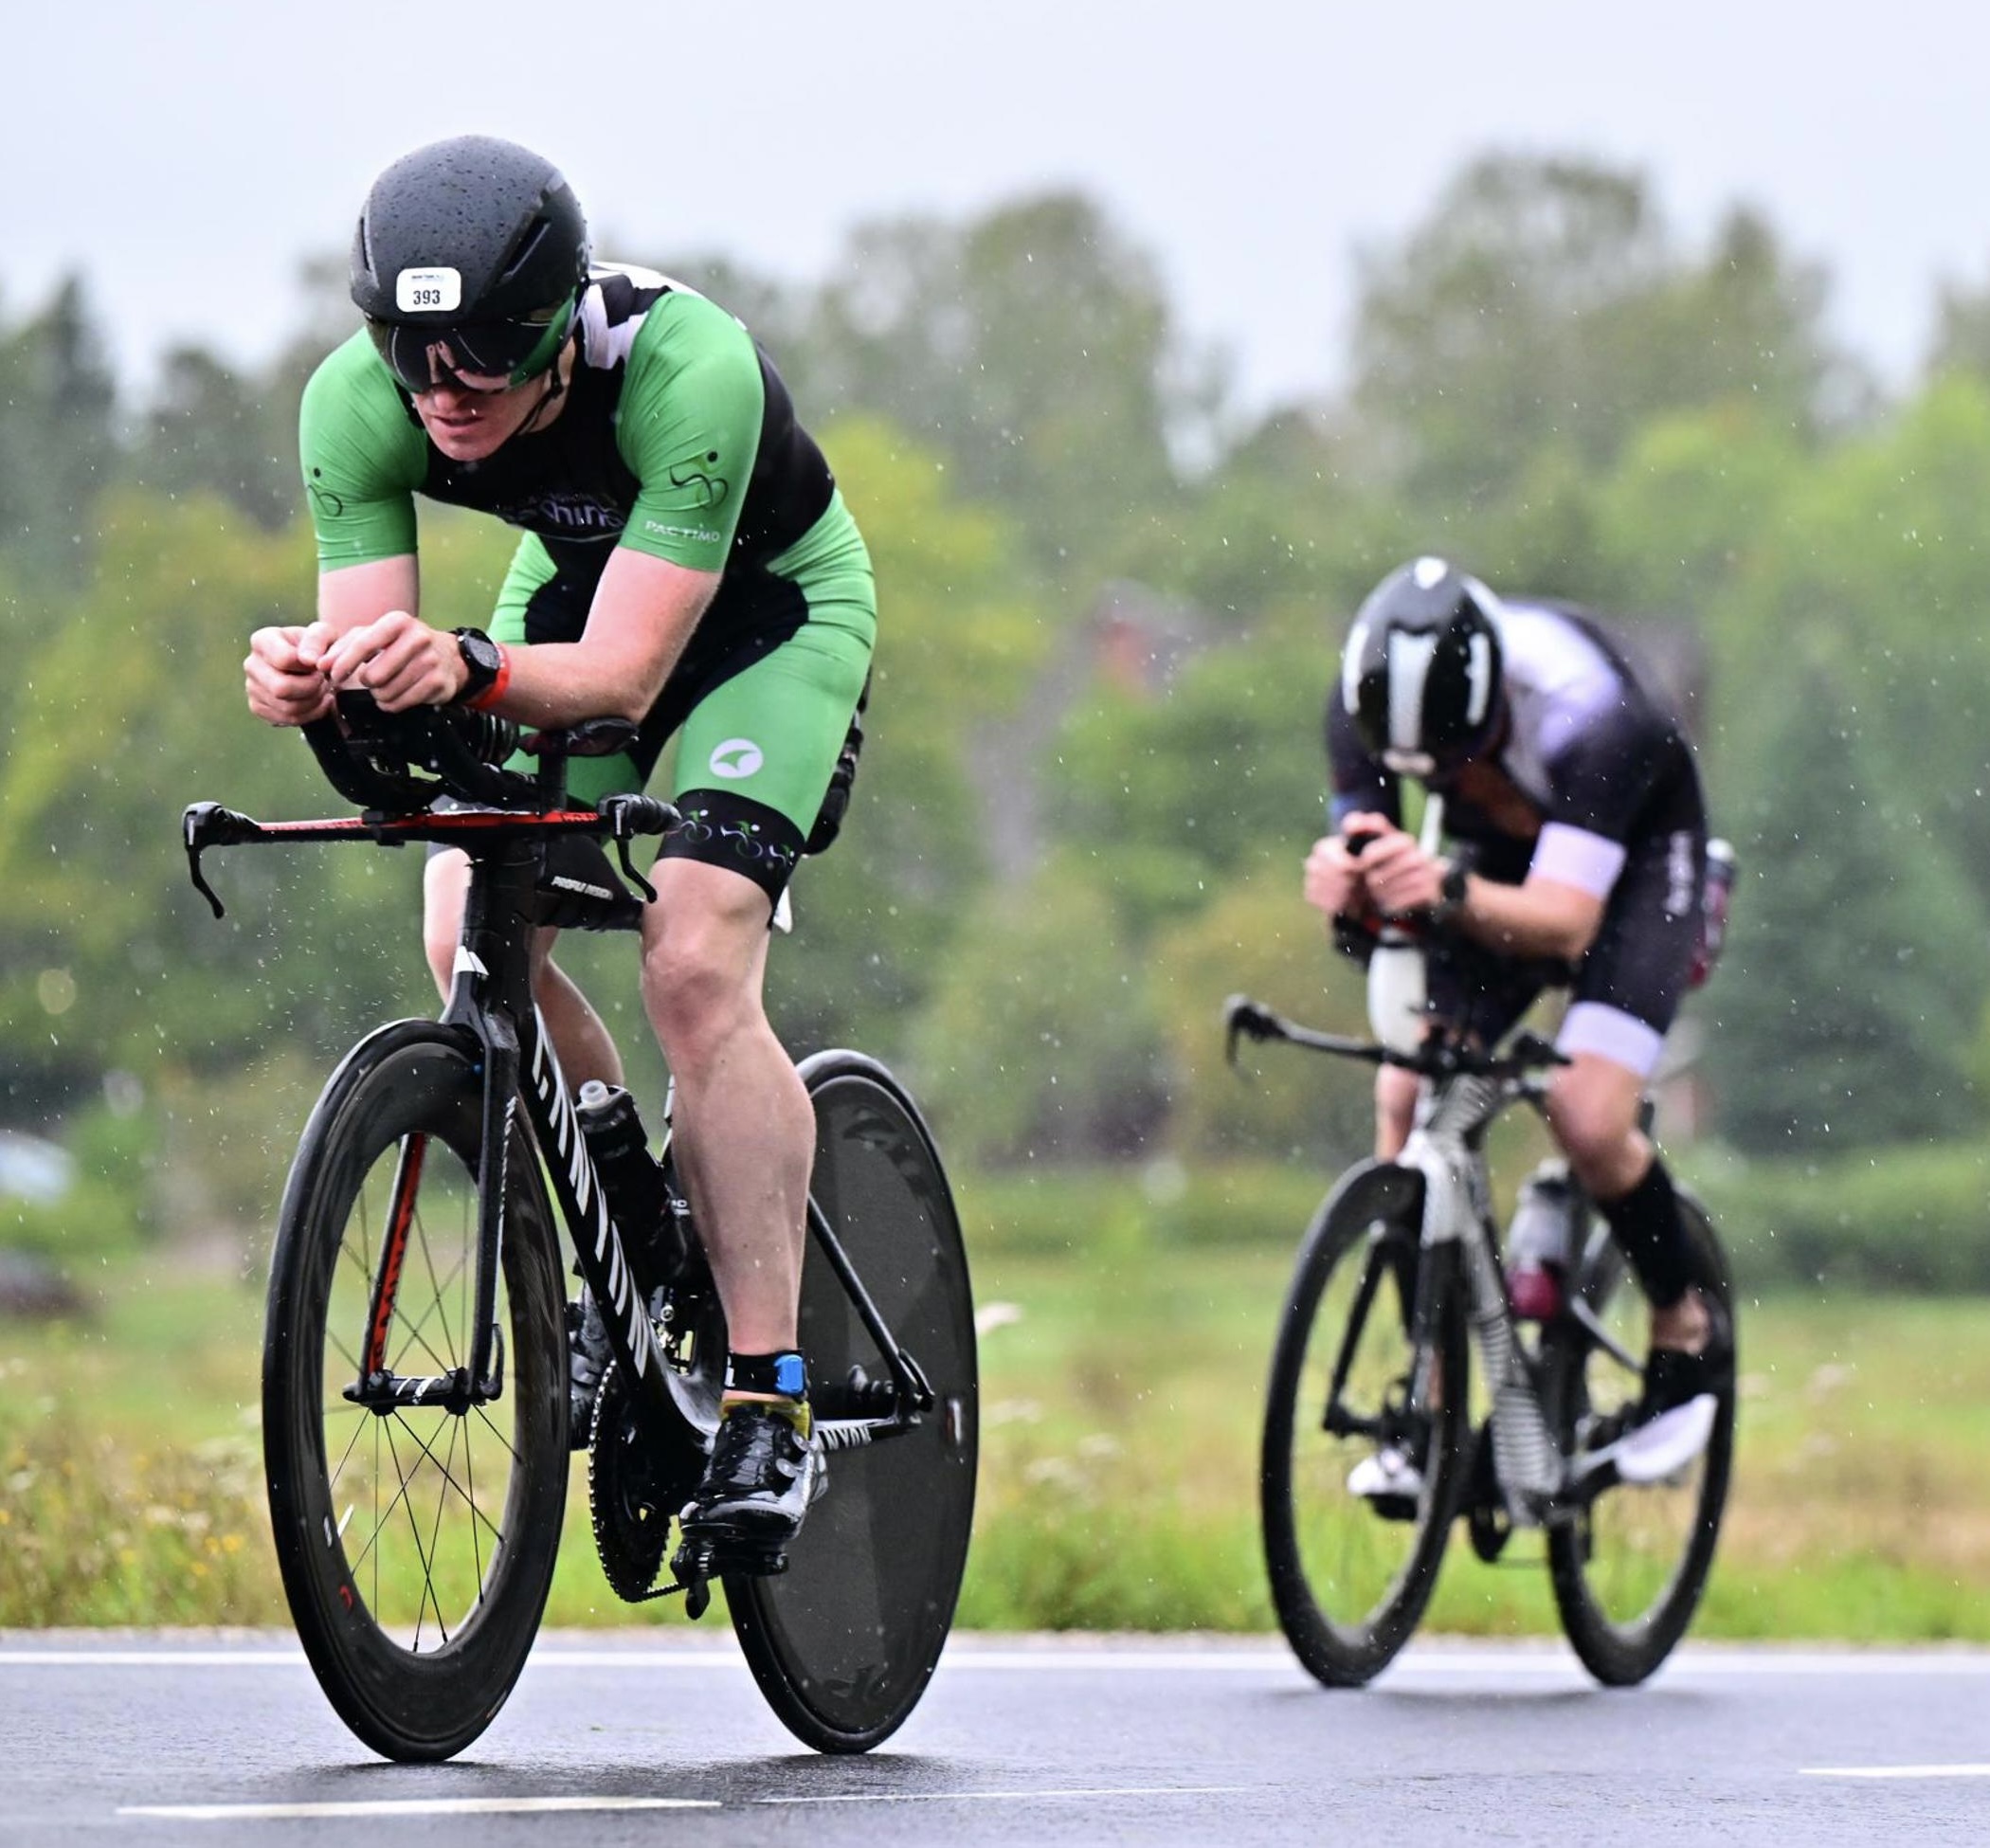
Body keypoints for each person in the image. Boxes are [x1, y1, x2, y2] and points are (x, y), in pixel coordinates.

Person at [242, 135, 876, 1563]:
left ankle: (767, 1393)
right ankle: (629, 1216)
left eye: (484, 349)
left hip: (763, 623)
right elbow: (384, 666)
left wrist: (462, 665)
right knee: (462, 909)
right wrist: (318, 678)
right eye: (414, 351)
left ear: (557, 324)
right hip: (576, 595)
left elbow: (630, 679)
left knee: (695, 965)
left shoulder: (686, 369)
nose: (444, 387)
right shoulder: (357, 403)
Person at [1303, 555, 1730, 1487]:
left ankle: (1686, 1325)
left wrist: (1446, 887)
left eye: (1460, 763)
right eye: (1426, 773)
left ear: (1496, 706)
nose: (1444, 779)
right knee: (1408, 1094)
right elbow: (1374, 901)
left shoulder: (1596, 718)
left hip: (1633, 863)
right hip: (1498, 854)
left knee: (1585, 1114)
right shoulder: (1361, 704)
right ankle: (1436, 1407)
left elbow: (1566, 926)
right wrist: (1350, 890)